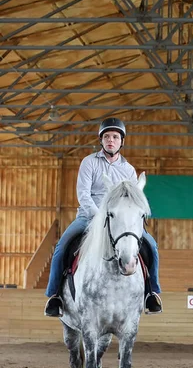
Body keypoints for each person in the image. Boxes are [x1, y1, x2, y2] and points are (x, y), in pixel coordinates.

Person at [44, 117, 162, 317]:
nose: (111, 140)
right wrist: (100, 217)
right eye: (107, 136)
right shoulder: (89, 163)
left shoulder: (129, 170)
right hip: (89, 217)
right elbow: (83, 195)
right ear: (101, 140)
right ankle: (54, 296)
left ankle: (151, 293)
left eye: (115, 137)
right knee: (62, 246)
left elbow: (134, 201)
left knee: (151, 246)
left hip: (120, 223)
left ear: (121, 141)